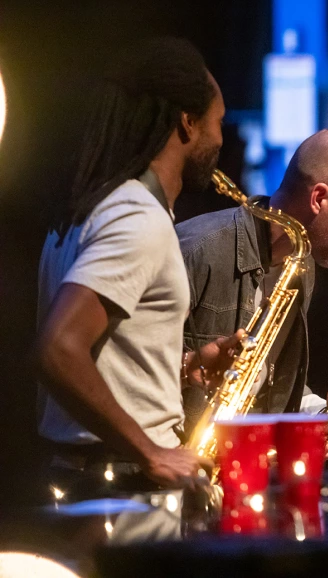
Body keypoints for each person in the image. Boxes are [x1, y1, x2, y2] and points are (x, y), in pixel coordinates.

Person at [34, 37, 242, 534]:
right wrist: (151, 451)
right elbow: (58, 348)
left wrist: (185, 365)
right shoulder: (136, 217)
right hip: (120, 487)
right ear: (186, 123)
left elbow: (102, 351)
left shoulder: (93, 209)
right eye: (217, 122)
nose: (221, 139)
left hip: (90, 479)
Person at [176, 128, 328, 459]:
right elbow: (120, 366)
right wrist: (189, 367)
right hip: (171, 472)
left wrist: (316, 417)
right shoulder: (196, 250)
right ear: (318, 198)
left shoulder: (302, 263)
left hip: (234, 471)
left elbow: (263, 380)